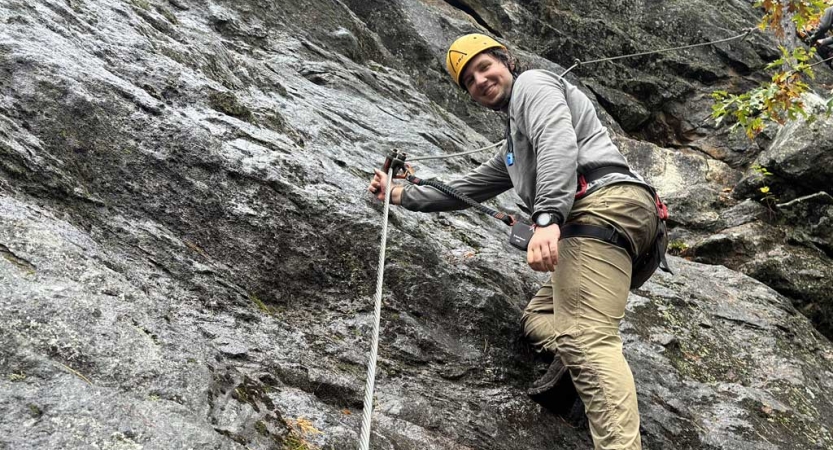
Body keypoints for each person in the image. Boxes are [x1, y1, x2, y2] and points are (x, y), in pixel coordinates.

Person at [368, 33, 661, 450]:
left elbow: (557, 141)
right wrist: (398, 194)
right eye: (469, 80)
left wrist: (547, 220)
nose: (481, 81)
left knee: (585, 335)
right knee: (538, 320)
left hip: (598, 207)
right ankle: (578, 363)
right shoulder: (513, 144)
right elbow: (467, 188)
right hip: (626, 219)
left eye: (485, 67)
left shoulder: (533, 86)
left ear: (506, 60)